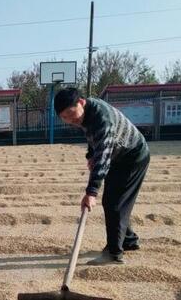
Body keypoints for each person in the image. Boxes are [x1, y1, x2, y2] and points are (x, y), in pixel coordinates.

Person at [53, 88, 151, 265]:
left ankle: (113, 253)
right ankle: (128, 240)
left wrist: (91, 192)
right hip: (119, 155)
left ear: (81, 102)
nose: (70, 120)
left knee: (114, 202)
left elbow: (104, 155)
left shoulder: (101, 118)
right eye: (64, 118)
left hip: (133, 156)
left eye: (70, 114)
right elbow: (93, 138)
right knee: (117, 201)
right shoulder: (85, 114)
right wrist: (91, 155)